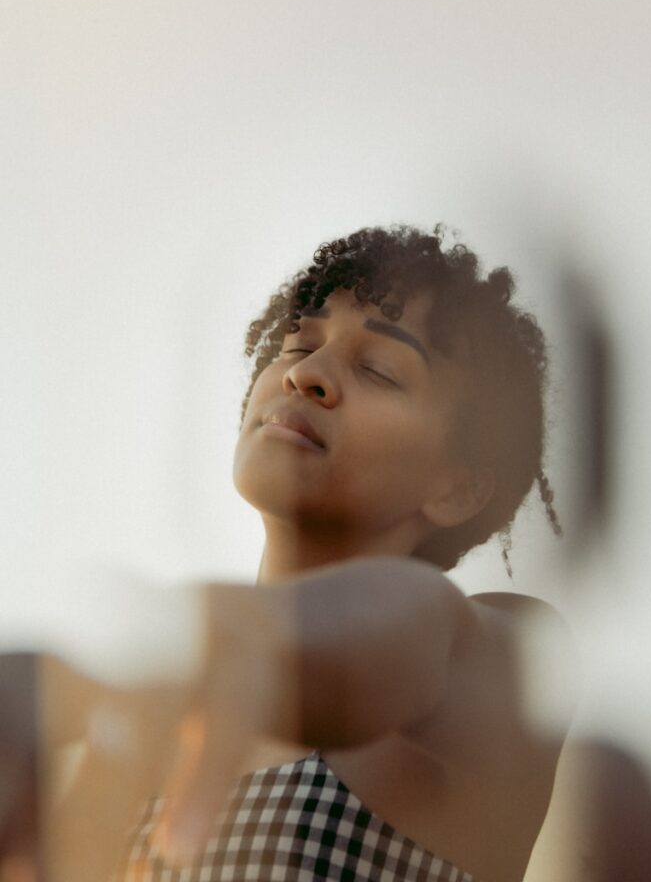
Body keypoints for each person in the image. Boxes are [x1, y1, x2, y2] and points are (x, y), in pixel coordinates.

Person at [110, 224, 570, 882]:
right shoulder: (143, 728)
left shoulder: (497, 657)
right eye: (298, 343)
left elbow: (426, 627)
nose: (304, 375)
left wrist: (217, 640)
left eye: (378, 370)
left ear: (458, 486)